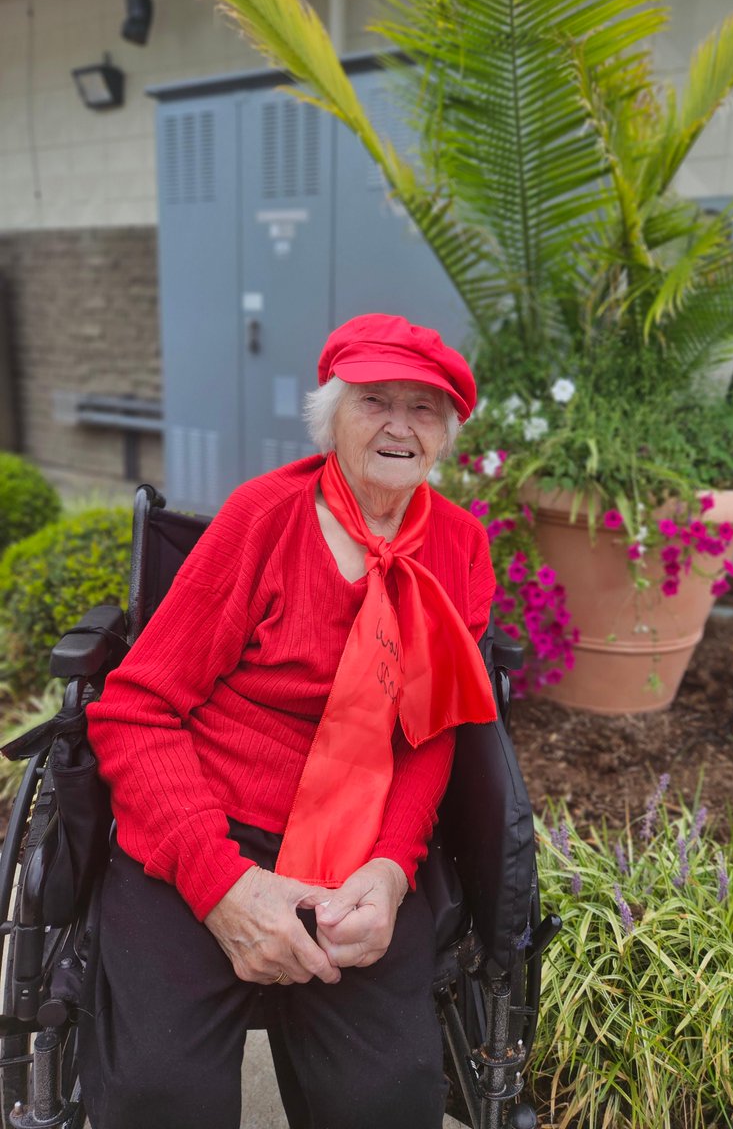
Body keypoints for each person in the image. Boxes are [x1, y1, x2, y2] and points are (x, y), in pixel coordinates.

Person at [80, 313, 499, 1129]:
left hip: (357, 851)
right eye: (375, 401)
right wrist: (222, 885)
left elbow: (431, 733)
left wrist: (392, 870)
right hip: (206, 825)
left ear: (445, 434)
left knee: (390, 1099)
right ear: (331, 418)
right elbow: (136, 709)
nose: (400, 426)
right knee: (160, 1096)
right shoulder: (263, 519)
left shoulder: (460, 547)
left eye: (423, 408)